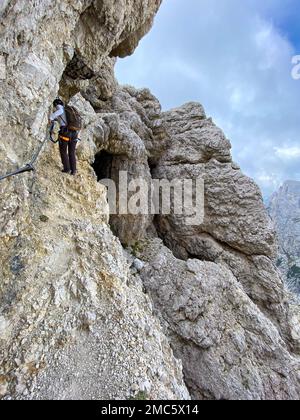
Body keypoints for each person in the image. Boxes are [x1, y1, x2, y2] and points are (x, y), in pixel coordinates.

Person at [49, 98, 78, 175]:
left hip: (65, 133)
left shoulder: (60, 108)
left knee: (63, 151)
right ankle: (74, 170)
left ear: (56, 104)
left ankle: (67, 169)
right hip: (74, 133)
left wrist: (50, 118)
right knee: (72, 152)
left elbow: (59, 112)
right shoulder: (68, 111)